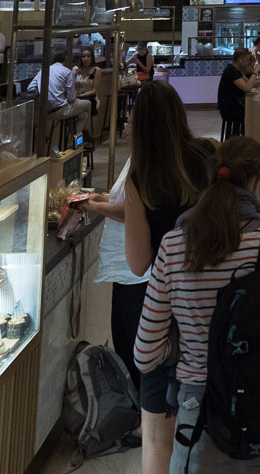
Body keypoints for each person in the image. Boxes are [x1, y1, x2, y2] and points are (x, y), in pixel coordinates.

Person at [134, 137, 260, 474]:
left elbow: (144, 354)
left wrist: (184, 342)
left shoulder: (173, 245)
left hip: (197, 411)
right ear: (257, 182)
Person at [86, 83, 208, 474]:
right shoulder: (207, 156)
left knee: (157, 430)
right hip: (213, 298)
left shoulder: (144, 176)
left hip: (169, 310)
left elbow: (138, 264)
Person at [29, 50, 91, 144]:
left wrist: (45, 91)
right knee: (88, 104)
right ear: (65, 60)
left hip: (44, 112)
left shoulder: (43, 71)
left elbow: (30, 88)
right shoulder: (67, 72)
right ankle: (86, 133)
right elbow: (71, 99)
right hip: (61, 110)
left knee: (83, 115)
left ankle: (76, 143)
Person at [216, 48, 257, 139]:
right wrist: (255, 72)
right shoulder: (231, 71)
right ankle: (240, 140)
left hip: (234, 105)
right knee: (253, 114)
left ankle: (245, 139)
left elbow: (249, 83)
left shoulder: (236, 71)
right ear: (240, 59)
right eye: (247, 60)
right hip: (230, 109)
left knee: (253, 111)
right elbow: (247, 88)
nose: (247, 63)